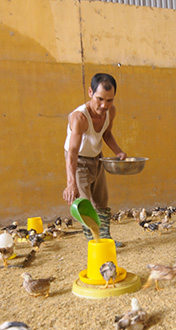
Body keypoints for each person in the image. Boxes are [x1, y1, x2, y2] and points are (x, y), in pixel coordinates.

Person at [63, 73, 126, 246]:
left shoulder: (110, 112)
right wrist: (70, 183)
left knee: (102, 201)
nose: (104, 105)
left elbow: (106, 134)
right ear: (90, 92)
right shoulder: (79, 118)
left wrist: (118, 151)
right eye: (100, 99)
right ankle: (95, 243)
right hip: (78, 161)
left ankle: (105, 238)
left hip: (97, 158)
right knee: (84, 204)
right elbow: (72, 152)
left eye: (109, 100)